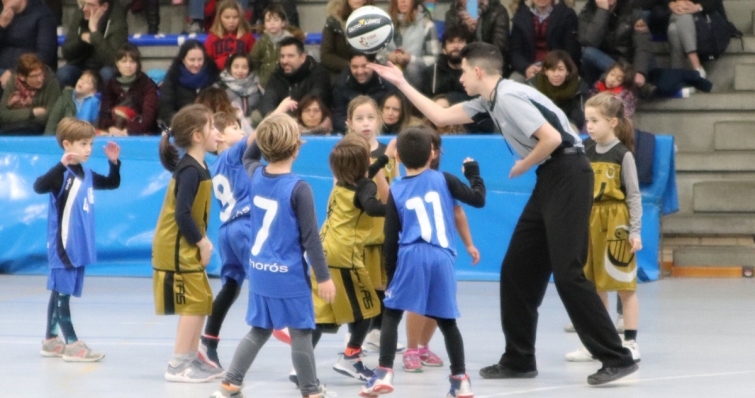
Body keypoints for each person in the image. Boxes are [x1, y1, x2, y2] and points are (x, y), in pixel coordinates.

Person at [368, 41, 638, 385]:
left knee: (568, 272)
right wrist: (401, 82)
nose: (460, 78)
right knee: (516, 270)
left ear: (478, 71)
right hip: (552, 176)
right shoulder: (489, 100)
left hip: (569, 173)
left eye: (464, 71)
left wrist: (523, 165)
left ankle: (616, 357)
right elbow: (440, 117)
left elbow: (552, 138)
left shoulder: (509, 96)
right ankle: (519, 359)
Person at [210, 114, 336, 398]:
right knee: (301, 332)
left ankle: (230, 383)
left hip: (260, 271)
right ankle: (311, 390)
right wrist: (324, 277)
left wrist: (267, 127)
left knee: (259, 330)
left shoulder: (255, 174)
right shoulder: (299, 187)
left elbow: (249, 156)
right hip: (288, 275)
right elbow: (311, 240)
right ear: (297, 148)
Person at [359, 126, 485, 397]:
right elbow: (478, 199)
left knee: (392, 313)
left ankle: (384, 373)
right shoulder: (445, 179)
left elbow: (391, 238)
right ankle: (460, 379)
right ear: (432, 154)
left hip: (410, 255)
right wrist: (473, 173)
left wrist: (391, 275)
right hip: (442, 257)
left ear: (399, 159)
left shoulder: (397, 190)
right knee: (447, 320)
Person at [33, 118, 121, 362]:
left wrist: (114, 163)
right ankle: (72, 343)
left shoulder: (87, 173)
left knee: (60, 290)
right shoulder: (62, 175)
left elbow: (113, 183)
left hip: (78, 244)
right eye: (83, 143)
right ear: (67, 144)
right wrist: (60, 166)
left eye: (91, 143)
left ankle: (51, 340)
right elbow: (38, 186)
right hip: (64, 245)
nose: (88, 148)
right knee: (62, 293)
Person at [564, 92, 642, 363]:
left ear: (612, 122)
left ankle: (630, 342)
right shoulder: (583, 150)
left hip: (616, 221)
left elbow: (633, 195)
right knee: (593, 287)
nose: (590, 126)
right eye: (587, 121)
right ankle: (596, 342)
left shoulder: (624, 154)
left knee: (624, 286)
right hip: (589, 220)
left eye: (595, 120)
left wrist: (635, 231)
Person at [308, 132, 390, 384]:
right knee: (369, 309)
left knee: (323, 315)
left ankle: (301, 361)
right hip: (345, 256)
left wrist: (381, 162)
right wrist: (399, 209)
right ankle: (350, 357)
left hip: (322, 251)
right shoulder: (365, 187)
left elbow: (364, 175)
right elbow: (372, 206)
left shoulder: (341, 181)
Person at [152, 104, 224, 383]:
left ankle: (192, 357)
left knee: (203, 301)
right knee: (193, 304)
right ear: (197, 135)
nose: (217, 132)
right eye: (212, 127)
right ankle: (178, 363)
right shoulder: (190, 171)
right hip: (176, 247)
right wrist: (203, 243)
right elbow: (182, 213)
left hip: (186, 245)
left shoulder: (201, 165)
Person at [402, 128, 480, 373]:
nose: (432, 152)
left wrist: (468, 243)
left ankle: (423, 347)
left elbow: (458, 212)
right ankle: (411, 349)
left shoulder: (444, 181)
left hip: (441, 253)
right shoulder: (404, 182)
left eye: (435, 147)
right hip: (415, 253)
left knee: (439, 301)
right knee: (416, 301)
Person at [198, 112, 253, 370]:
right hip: (244, 228)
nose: (241, 132)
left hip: (226, 232)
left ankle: (208, 340)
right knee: (266, 276)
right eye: (234, 128)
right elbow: (258, 136)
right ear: (219, 135)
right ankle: (281, 325)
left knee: (230, 287)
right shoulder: (231, 156)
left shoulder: (214, 165)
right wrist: (282, 115)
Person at [345, 96, 400, 353]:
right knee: (360, 288)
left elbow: (392, 195)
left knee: (383, 287)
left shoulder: (390, 150)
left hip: (384, 232)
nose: (365, 123)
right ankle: (354, 336)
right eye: (359, 118)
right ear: (349, 123)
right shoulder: (346, 152)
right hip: (358, 233)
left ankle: (378, 333)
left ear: (378, 120)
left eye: (370, 118)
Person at [578, 0, 654, 91]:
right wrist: (602, 11)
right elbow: (590, 42)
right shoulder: (587, 13)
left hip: (626, 62)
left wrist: (640, 72)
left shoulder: (632, 10)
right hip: (601, 65)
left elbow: (642, 44)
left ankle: (626, 81)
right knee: (588, 52)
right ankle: (628, 82)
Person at [58, 0, 127, 89]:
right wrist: (80, 40)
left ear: (104, 7)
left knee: (107, 74)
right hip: (80, 64)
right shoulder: (80, 14)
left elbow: (113, 60)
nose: (84, 8)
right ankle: (69, 101)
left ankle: (104, 102)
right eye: (84, 4)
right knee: (63, 74)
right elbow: (66, 52)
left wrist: (95, 33)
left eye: (90, 5)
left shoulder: (117, 22)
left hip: (103, 67)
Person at [257, 37, 332, 118]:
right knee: (256, 116)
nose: (284, 61)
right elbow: (267, 101)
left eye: (290, 56)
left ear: (302, 58)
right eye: (282, 56)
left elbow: (315, 102)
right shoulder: (277, 75)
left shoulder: (318, 74)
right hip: (281, 120)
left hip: (309, 121)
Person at [508, 0, 581, 81]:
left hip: (556, 67)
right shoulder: (520, 14)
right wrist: (526, 68)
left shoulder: (567, 14)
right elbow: (515, 51)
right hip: (529, 67)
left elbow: (571, 51)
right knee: (512, 83)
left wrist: (549, 68)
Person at [98, 43, 159, 136]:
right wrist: (111, 128)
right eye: (123, 61)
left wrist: (129, 130)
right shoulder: (109, 85)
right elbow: (104, 114)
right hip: (114, 132)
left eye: (132, 62)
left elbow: (149, 116)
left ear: (138, 64)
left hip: (142, 133)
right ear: (117, 63)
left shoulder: (148, 84)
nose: (128, 65)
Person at [378, 0, 440, 89]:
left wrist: (411, 59)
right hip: (389, 76)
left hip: (417, 80)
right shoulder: (383, 24)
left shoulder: (427, 25)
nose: (403, 1)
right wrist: (387, 57)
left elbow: (435, 59)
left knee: (411, 69)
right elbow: (375, 54)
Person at [0, 0, 57, 96]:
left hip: (27, 70)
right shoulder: (2, 13)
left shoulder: (42, 15)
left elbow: (45, 54)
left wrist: (15, 71)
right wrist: (1, 26)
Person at [158, 40, 219, 125]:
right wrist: (184, 125)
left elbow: (220, 107)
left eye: (200, 59)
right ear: (183, 60)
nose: (196, 64)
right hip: (181, 127)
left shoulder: (213, 75)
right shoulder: (173, 77)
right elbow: (166, 110)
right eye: (192, 60)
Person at [331, 51, 395, 133]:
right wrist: (356, 129)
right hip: (351, 133)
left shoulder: (387, 81)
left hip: (383, 132)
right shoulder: (341, 83)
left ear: (374, 63)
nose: (360, 71)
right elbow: (338, 116)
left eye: (364, 66)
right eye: (355, 67)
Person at [0, 53, 61, 135]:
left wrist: (15, 116)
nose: (40, 79)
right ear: (22, 77)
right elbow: (3, 115)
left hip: (36, 129)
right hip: (10, 128)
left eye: (41, 74)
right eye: (34, 76)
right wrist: (32, 113)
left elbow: (48, 117)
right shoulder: (13, 81)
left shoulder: (52, 83)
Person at [527, 50, 586, 129]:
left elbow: (579, 114)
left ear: (567, 71)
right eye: (552, 69)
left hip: (568, 124)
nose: (556, 74)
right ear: (545, 71)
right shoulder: (533, 85)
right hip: (539, 125)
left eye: (560, 69)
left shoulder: (578, 86)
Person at [444, 0, 509, 71]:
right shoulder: (452, 14)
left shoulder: (498, 12)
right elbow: (452, 44)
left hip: (490, 64)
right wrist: (468, 30)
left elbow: (498, 47)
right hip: (461, 63)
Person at [249, 5, 301, 88]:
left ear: (283, 23)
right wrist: (257, 79)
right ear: (264, 24)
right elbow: (253, 61)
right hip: (264, 84)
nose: (272, 23)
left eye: (276, 20)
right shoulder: (260, 42)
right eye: (268, 21)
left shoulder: (291, 41)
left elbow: (297, 62)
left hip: (286, 82)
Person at [320, 0, 374, 77]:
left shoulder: (375, 21)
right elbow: (325, 55)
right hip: (340, 73)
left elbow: (378, 52)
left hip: (368, 72)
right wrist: (352, 66)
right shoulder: (333, 22)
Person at [667, 0, 717, 78]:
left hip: (703, 16)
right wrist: (671, 4)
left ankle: (677, 75)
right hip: (673, 14)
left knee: (673, 29)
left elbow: (716, 2)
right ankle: (696, 67)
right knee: (682, 15)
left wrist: (698, 7)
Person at [421, 28, 469, 104]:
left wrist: (448, 99)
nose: (456, 46)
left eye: (460, 42)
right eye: (451, 42)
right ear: (444, 49)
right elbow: (424, 101)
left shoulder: (475, 72)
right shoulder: (431, 72)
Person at [45, 71, 101, 135]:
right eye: (81, 78)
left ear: (93, 91)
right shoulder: (65, 98)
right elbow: (53, 122)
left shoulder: (94, 102)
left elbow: (94, 127)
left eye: (87, 82)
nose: (81, 82)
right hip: (65, 136)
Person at [204, 0, 255, 71]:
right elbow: (206, 61)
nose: (231, 21)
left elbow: (253, 60)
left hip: (241, 76)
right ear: (220, 18)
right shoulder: (212, 37)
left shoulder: (248, 36)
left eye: (235, 17)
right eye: (227, 17)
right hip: (218, 74)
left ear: (241, 18)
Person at [218, 53, 262, 120]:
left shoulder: (256, 87)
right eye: (236, 67)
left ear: (249, 69)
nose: (240, 71)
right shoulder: (220, 86)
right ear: (230, 67)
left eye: (244, 67)